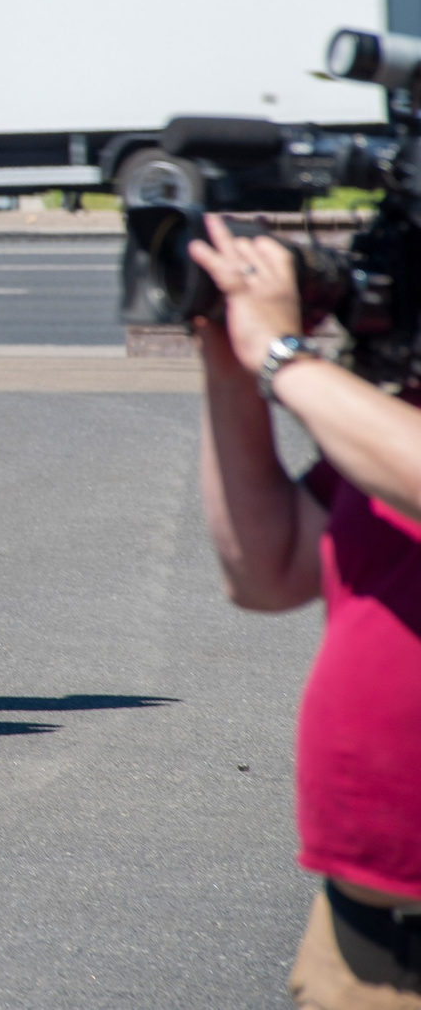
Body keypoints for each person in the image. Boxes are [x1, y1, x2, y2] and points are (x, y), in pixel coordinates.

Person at [191, 215, 421, 1008]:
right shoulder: (398, 416)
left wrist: (284, 360)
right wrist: (228, 366)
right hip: (366, 920)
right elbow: (269, 570)